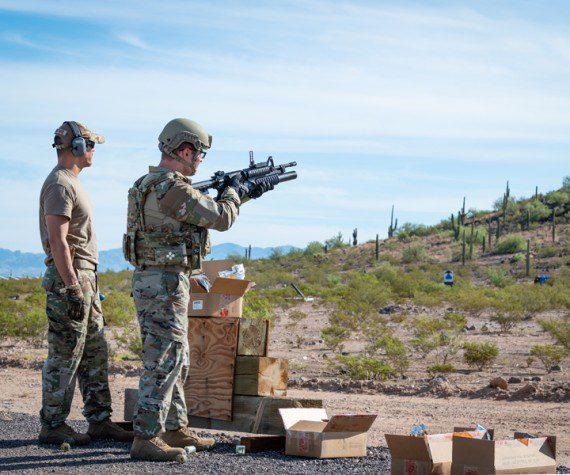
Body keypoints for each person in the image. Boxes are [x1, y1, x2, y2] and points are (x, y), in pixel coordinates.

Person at [124, 118, 272, 461]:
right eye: (199, 153)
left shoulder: (148, 183)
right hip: (163, 282)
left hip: (160, 280)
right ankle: (146, 437)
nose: (200, 160)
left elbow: (198, 213)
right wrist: (236, 193)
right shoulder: (171, 188)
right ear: (185, 150)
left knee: (178, 357)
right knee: (164, 359)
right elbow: (221, 217)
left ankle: (174, 427)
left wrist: (236, 192)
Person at [38, 121, 133, 445]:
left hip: (84, 279)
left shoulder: (72, 183)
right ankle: (52, 424)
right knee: (65, 353)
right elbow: (58, 241)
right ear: (76, 147)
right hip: (72, 279)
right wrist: (72, 287)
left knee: (94, 351)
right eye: (91, 145)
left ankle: (99, 421)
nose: (93, 151)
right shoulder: (60, 185)